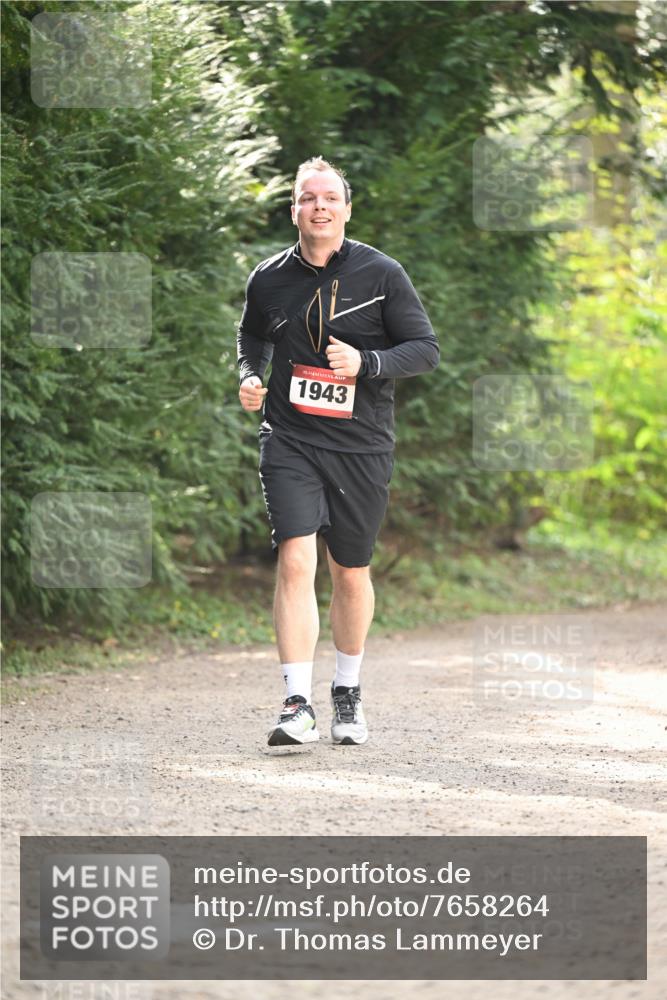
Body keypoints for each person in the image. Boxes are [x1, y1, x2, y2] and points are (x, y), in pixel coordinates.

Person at [237, 156, 439, 748]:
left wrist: (367, 362)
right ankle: (296, 703)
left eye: (329, 198)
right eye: (308, 198)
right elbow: (251, 334)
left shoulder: (381, 274)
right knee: (296, 559)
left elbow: (424, 349)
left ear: (346, 210)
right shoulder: (268, 277)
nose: (319, 207)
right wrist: (251, 374)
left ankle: (346, 692)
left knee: (349, 571)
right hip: (290, 436)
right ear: (294, 209)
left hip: (360, 445)